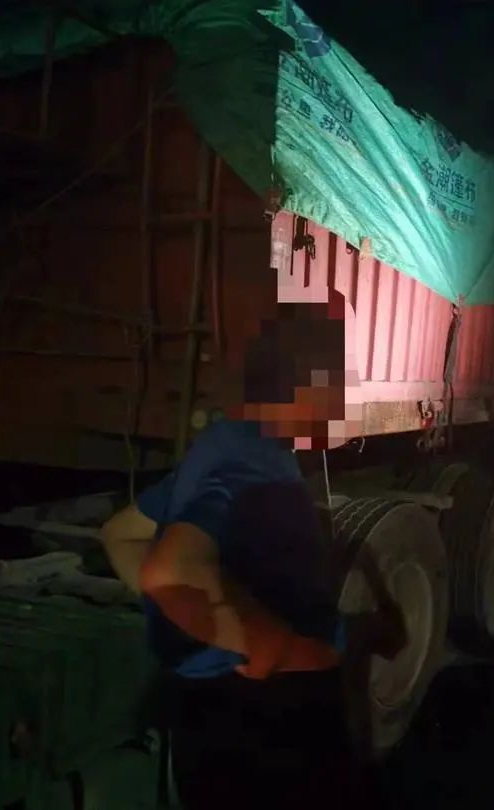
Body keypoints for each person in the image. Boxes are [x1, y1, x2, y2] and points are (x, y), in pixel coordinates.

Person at [98, 295, 399, 809]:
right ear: (306, 382)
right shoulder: (255, 460)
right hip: (268, 731)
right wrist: (272, 650)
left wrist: (207, 633)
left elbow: (120, 535)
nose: (350, 396)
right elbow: (168, 573)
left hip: (215, 719)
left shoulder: (227, 444)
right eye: (344, 378)